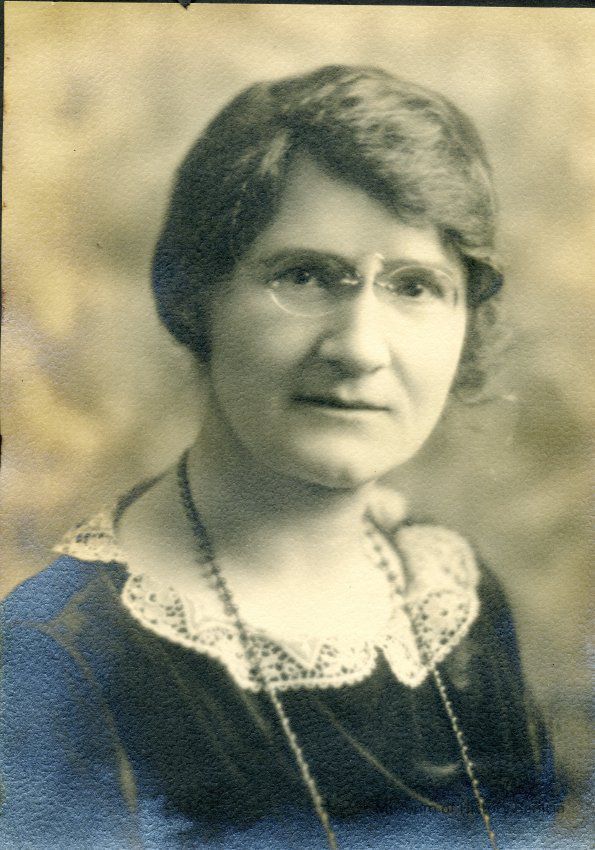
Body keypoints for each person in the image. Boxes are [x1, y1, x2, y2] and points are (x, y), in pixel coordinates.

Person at [2, 65, 564, 850]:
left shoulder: (450, 599)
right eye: (304, 276)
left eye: (414, 286)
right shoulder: (56, 657)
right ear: (197, 296)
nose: (359, 348)